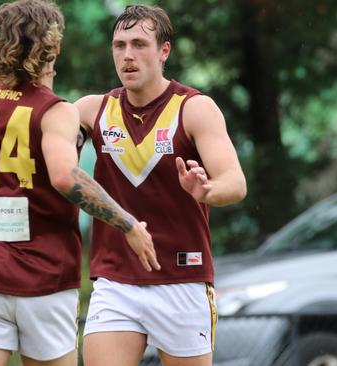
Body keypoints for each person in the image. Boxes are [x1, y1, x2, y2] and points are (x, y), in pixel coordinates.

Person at [0, 1, 160, 366]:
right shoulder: (56, 110)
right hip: (45, 278)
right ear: (55, 46)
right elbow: (65, 177)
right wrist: (126, 222)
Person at [74, 4, 247, 366]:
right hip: (115, 282)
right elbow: (47, 152)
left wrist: (207, 191)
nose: (128, 55)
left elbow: (235, 182)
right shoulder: (92, 110)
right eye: (119, 45)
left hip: (183, 278)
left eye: (139, 44)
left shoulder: (195, 108)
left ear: (164, 51)